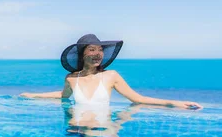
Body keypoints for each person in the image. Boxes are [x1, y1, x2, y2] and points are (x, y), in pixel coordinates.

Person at [20, 34, 203, 110]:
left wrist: (175, 103)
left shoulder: (110, 76)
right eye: (92, 50)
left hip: (103, 131)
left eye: (100, 50)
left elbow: (138, 99)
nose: (98, 53)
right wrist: (33, 95)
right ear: (82, 55)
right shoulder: (71, 78)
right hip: (75, 132)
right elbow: (62, 95)